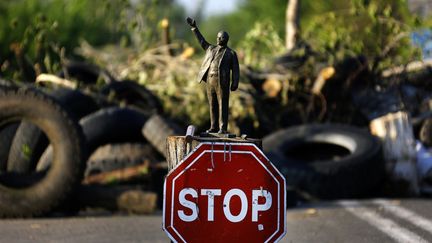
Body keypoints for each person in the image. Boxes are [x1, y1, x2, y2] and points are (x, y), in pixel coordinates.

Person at [186, 17, 240, 134]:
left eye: (220, 37)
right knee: (212, 104)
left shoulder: (231, 53)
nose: (218, 39)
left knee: (222, 105)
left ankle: (222, 128)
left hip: (222, 82)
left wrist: (235, 82)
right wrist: (195, 28)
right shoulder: (211, 49)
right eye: (217, 37)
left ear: (225, 39)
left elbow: (235, 69)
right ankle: (213, 127)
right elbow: (202, 41)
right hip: (210, 81)